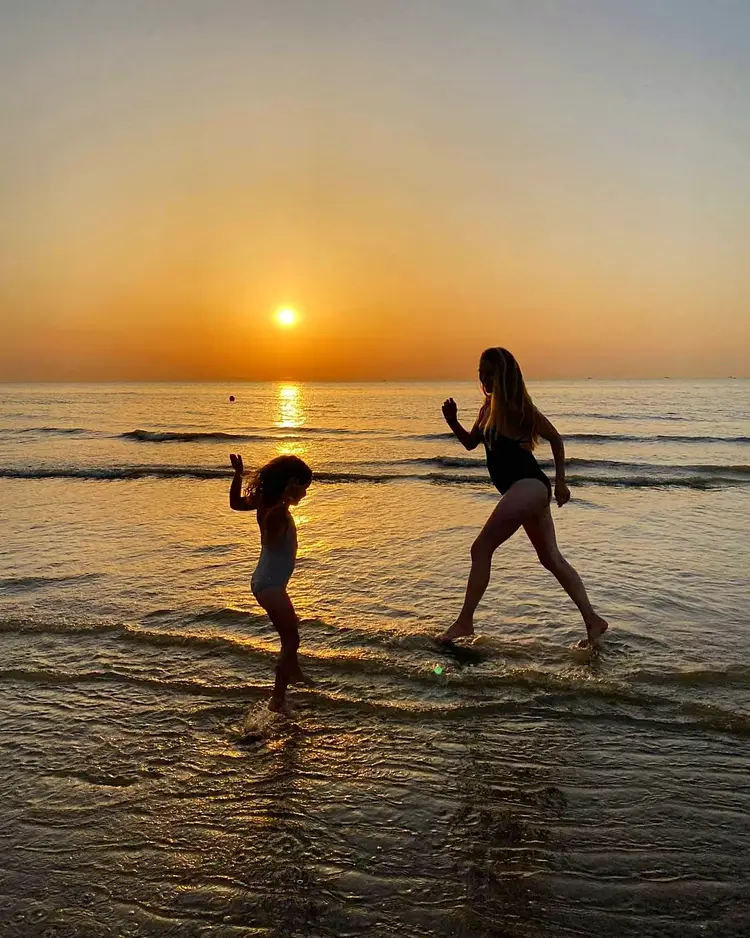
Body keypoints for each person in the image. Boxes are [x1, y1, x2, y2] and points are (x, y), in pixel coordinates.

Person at [439, 347, 608, 647]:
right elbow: (470, 444)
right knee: (551, 559)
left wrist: (561, 484)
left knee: (481, 548)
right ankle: (593, 621)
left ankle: (465, 622)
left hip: (529, 486)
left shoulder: (518, 408)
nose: (484, 378)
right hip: (525, 491)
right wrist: (452, 421)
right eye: (480, 372)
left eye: (490, 373)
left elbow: (555, 438)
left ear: (504, 375)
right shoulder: (486, 409)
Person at [229, 452, 313, 713]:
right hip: (270, 585)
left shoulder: (264, 502)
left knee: (291, 638)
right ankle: (278, 699)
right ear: (290, 485)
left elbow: (235, 503)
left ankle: (290, 675)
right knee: (290, 641)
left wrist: (237, 475)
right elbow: (273, 532)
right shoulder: (274, 512)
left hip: (268, 582)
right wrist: (285, 502)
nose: (305, 495)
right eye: (303, 488)